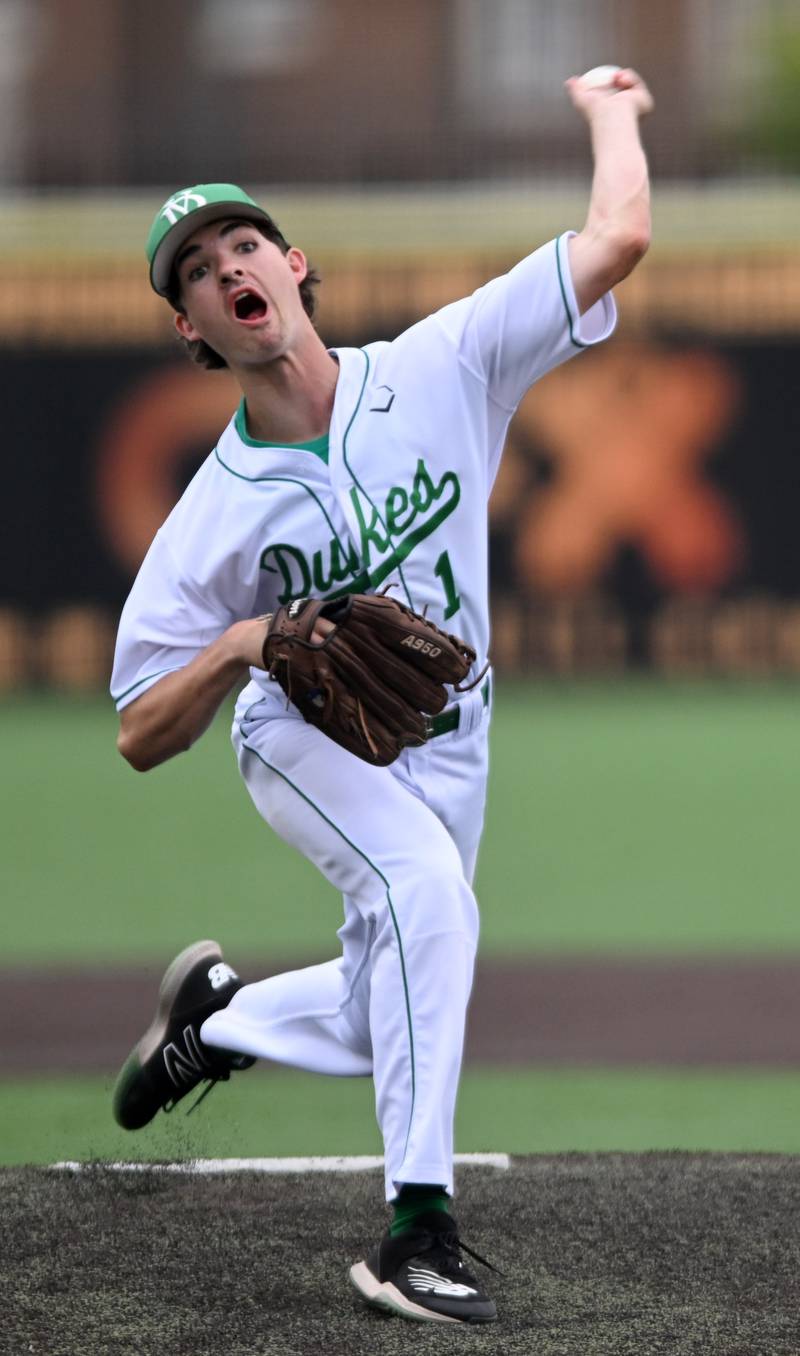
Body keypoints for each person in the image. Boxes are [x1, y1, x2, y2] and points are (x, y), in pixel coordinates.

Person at [110, 68, 653, 1325]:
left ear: (295, 267)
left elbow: (616, 237)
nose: (224, 266)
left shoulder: (444, 364)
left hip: (452, 739)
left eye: (241, 242)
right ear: (195, 330)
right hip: (300, 742)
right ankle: (415, 1231)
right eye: (195, 269)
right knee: (426, 901)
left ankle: (218, 1024)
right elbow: (139, 727)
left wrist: (611, 109)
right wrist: (243, 638)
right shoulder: (214, 515)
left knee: (383, 1007)